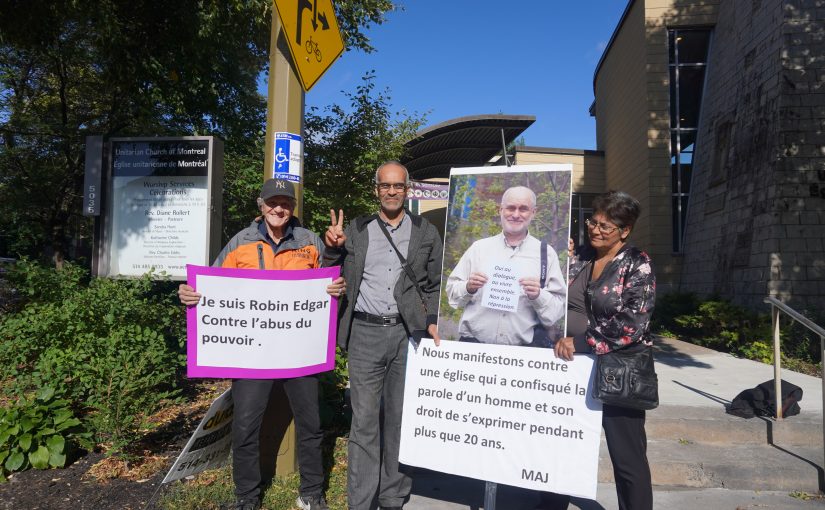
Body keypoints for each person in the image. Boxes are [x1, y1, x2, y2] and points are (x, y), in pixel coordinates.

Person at [178, 179, 345, 510]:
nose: (279, 208)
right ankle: (247, 498)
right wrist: (191, 295)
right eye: (273, 202)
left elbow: (329, 278)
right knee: (245, 427)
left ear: (293, 208)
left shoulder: (310, 241)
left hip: (299, 351)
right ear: (261, 205)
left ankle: (311, 493)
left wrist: (335, 279)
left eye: (285, 203)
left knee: (310, 426)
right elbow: (213, 286)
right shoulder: (240, 242)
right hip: (252, 354)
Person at [323, 161, 443, 510]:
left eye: (398, 186)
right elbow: (326, 276)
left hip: (408, 336)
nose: (392, 192)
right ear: (376, 189)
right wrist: (332, 249)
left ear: (408, 190)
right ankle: (361, 501)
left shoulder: (425, 231)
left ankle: (393, 496)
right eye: (385, 186)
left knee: (400, 419)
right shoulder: (356, 230)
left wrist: (433, 318)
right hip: (364, 333)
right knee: (363, 422)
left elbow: (435, 283)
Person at [550, 190, 656, 510]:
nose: (595, 230)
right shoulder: (582, 258)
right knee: (558, 448)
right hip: (571, 368)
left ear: (625, 231)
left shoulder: (637, 263)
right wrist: (560, 257)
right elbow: (555, 292)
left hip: (620, 370)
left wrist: (581, 342)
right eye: (593, 222)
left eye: (606, 226)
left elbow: (632, 321)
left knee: (627, 461)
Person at [445, 185, 566, 346]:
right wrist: (468, 287)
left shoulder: (546, 254)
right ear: (500, 210)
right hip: (473, 350)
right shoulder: (479, 248)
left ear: (533, 213)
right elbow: (452, 295)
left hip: (520, 355)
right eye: (510, 208)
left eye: (523, 209)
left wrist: (538, 295)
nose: (516, 214)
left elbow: (557, 311)